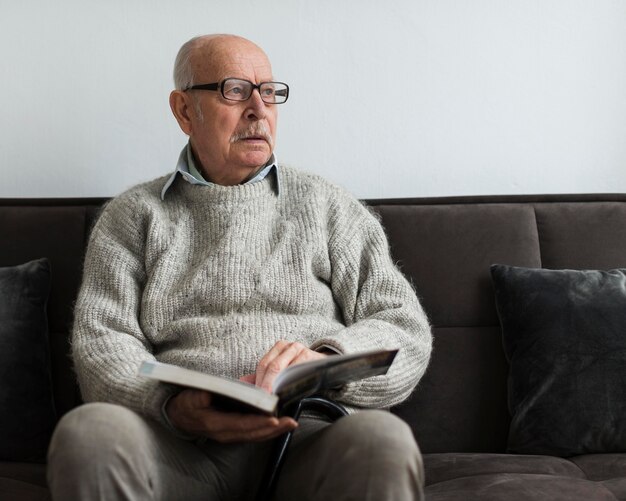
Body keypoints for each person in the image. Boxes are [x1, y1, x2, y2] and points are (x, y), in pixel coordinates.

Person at [47, 34, 432, 500]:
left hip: (307, 438)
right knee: (88, 432)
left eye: (268, 92)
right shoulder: (133, 216)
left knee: (383, 441)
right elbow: (101, 341)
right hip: (178, 449)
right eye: (234, 90)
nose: (258, 108)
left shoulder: (328, 206)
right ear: (184, 110)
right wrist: (170, 405)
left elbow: (403, 327)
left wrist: (328, 359)